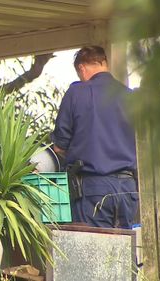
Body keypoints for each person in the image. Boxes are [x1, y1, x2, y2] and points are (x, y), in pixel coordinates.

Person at [51, 46, 138, 229]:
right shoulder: (130, 97)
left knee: (93, 252)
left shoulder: (76, 93)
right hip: (128, 188)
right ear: (104, 64)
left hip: (94, 188)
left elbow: (60, 145)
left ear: (81, 68)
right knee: (122, 252)